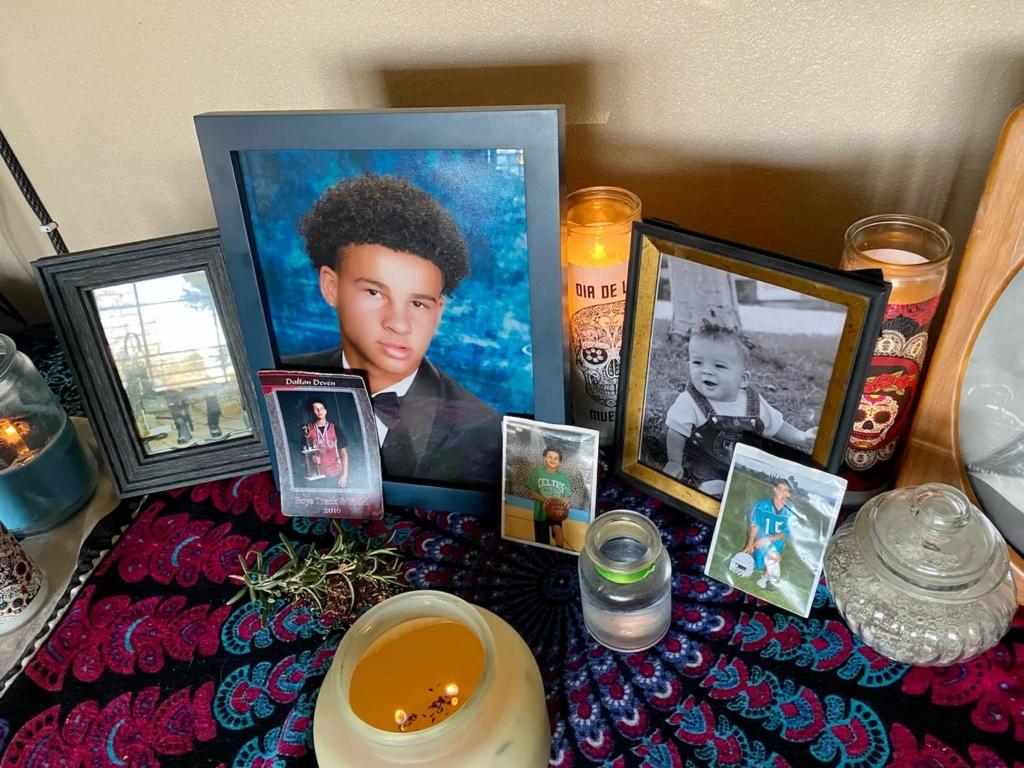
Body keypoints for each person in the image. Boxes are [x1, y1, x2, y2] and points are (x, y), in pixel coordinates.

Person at [284, 174, 501, 486]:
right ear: (331, 286)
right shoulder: (284, 382)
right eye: (375, 293)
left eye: (418, 303)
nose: (399, 323)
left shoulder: (485, 431)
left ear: (438, 312)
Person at [662, 323, 817, 497]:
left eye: (719, 366)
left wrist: (800, 437)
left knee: (773, 485)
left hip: (745, 464)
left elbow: (777, 426)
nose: (706, 371)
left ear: (742, 380)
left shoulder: (753, 403)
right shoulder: (690, 401)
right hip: (706, 462)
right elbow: (676, 432)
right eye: (698, 362)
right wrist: (674, 461)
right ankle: (714, 489)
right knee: (712, 485)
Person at [742, 478, 794, 589]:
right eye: (780, 489)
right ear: (775, 489)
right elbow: (755, 525)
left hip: (775, 541)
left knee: (773, 557)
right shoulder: (762, 504)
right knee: (758, 564)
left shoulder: (790, 511)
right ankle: (758, 563)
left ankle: (770, 578)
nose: (782, 492)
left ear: (788, 494)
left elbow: (785, 533)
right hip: (760, 539)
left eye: (785, 490)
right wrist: (750, 543)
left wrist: (768, 540)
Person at [525, 447, 572, 549]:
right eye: (550, 457)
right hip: (540, 512)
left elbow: (566, 496)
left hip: (556, 511)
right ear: (545, 458)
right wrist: (544, 500)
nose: (552, 460)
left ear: (559, 462)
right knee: (542, 541)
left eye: (556, 458)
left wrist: (566, 501)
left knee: (558, 530)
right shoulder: (537, 473)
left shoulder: (562, 477)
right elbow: (531, 492)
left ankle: (560, 551)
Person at [303, 399, 349, 488]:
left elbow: (344, 453)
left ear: (325, 411)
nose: (319, 411)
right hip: (317, 475)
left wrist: (345, 475)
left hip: (335, 474)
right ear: (312, 412)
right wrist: (312, 458)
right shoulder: (308, 430)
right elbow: (305, 453)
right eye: (316, 409)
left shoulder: (335, 428)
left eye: (321, 408)